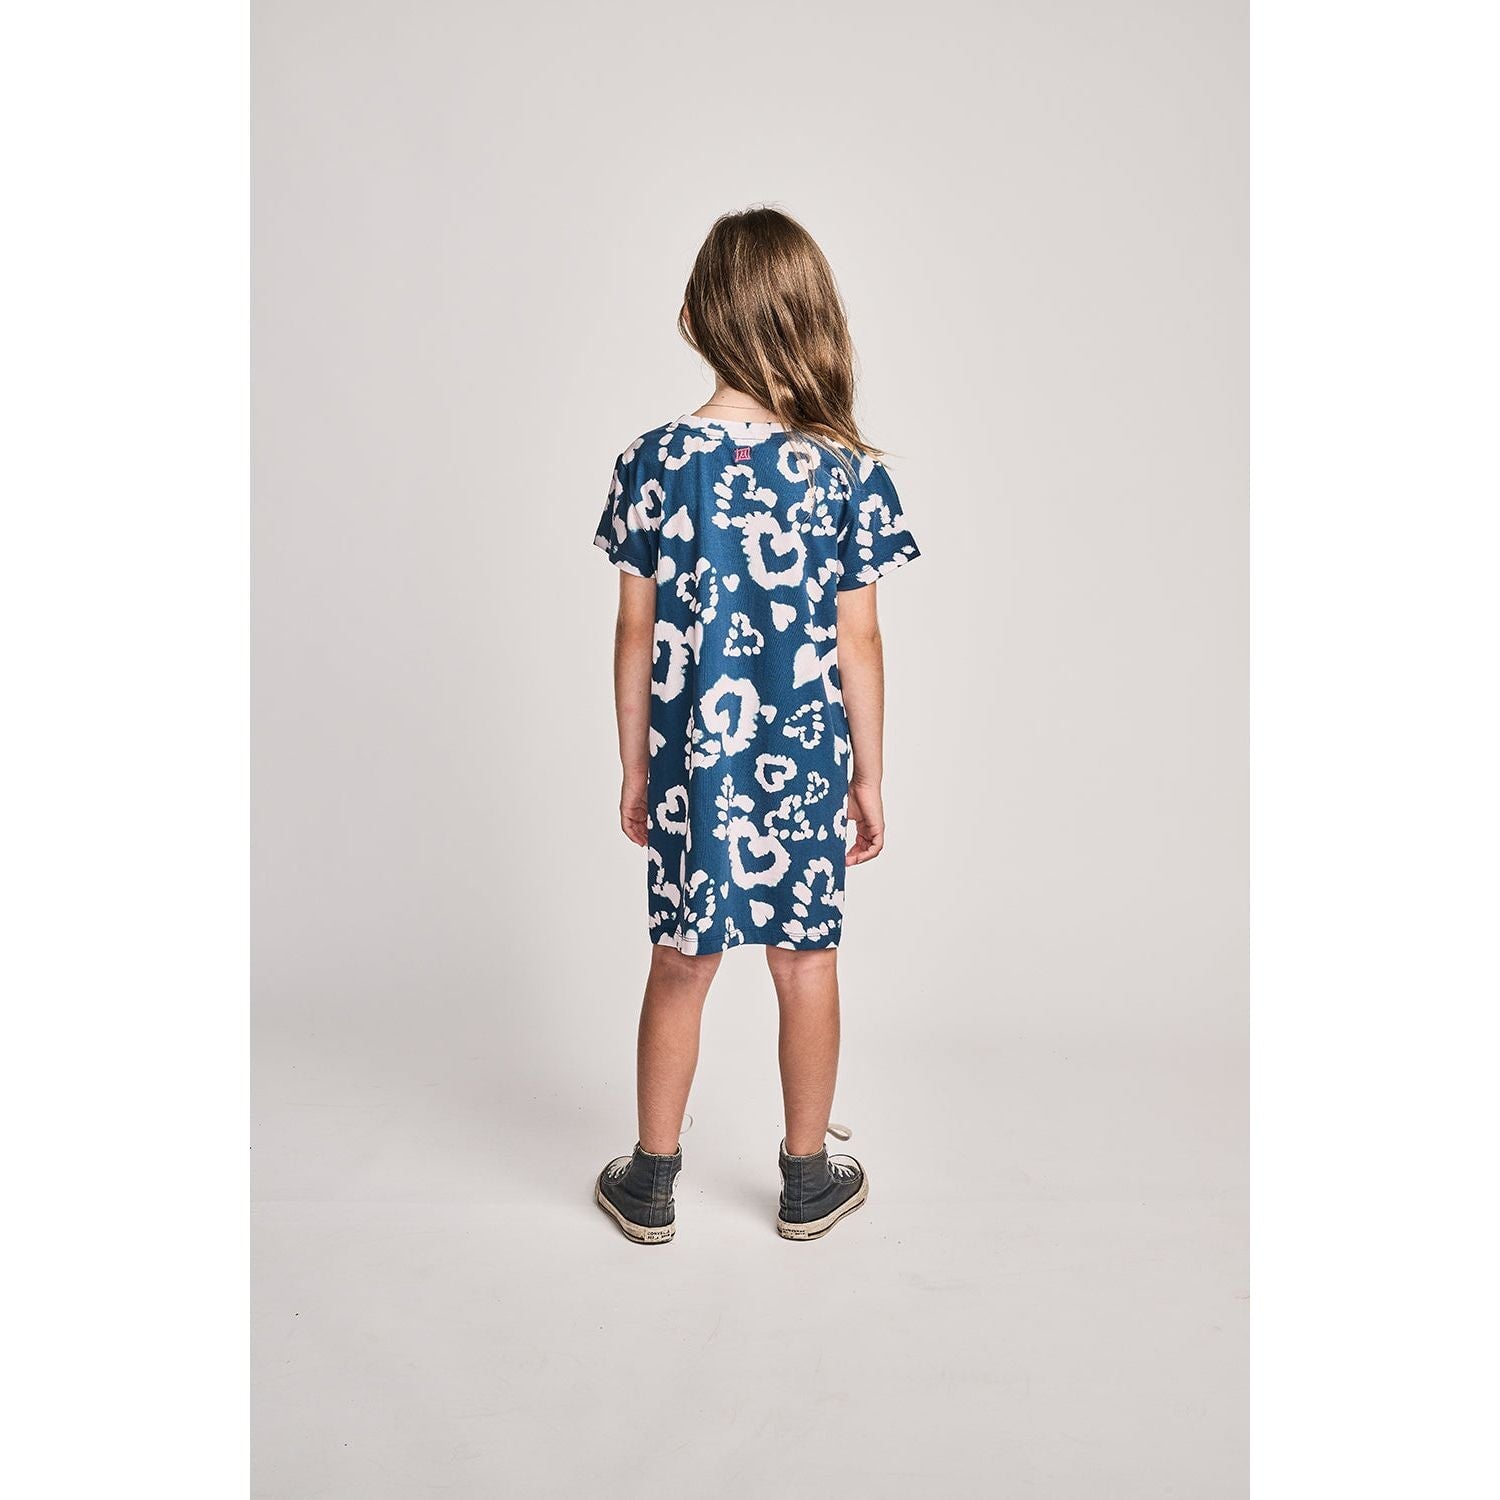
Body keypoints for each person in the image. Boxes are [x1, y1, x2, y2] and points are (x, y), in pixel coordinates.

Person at [591, 207, 920, 1244]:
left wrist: (635, 767)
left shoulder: (652, 461)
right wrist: (869, 776)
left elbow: (635, 632)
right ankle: (807, 1177)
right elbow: (859, 641)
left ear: (696, 318)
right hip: (807, 762)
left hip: (693, 764)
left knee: (680, 960)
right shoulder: (846, 470)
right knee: (806, 962)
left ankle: (650, 1181)